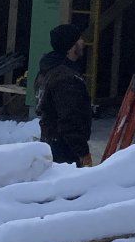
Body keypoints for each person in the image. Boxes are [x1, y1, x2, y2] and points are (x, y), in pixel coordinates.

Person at [34, 21, 94, 165]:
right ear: (71, 46)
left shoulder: (49, 69)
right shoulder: (66, 78)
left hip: (52, 143)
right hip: (64, 150)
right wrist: (83, 152)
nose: (83, 42)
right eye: (79, 39)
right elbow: (69, 120)